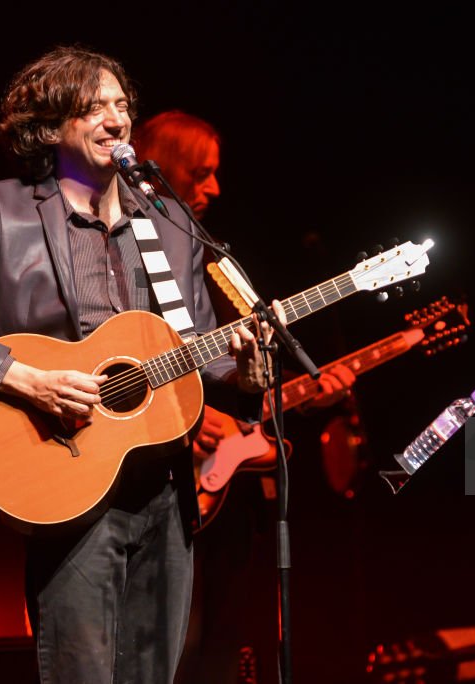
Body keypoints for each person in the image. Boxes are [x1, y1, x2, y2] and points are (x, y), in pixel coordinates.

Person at [0, 47, 277, 684]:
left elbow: (197, 348)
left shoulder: (169, 219)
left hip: (168, 491)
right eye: (94, 106)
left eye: (122, 104)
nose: (117, 118)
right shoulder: (7, 212)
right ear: (48, 127)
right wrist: (24, 377)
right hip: (67, 480)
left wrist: (247, 370)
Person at [133, 110, 354, 683]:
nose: (215, 189)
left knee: (217, 634)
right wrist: (187, 414)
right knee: (163, 638)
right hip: (136, 467)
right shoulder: (113, 232)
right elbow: (109, 356)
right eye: (200, 173)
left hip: (204, 469)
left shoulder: (189, 242)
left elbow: (203, 355)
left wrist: (287, 384)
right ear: (156, 169)